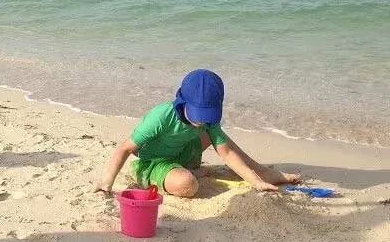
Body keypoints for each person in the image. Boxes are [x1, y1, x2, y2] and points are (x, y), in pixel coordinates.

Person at [93, 69, 299, 197]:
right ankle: (192, 173)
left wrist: (254, 182)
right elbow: (125, 148)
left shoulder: (208, 121)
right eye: (198, 113)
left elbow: (226, 153)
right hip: (152, 163)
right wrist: (106, 182)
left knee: (221, 139)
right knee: (188, 185)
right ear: (182, 101)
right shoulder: (161, 116)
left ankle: (263, 173)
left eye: (207, 115)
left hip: (184, 152)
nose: (201, 120)